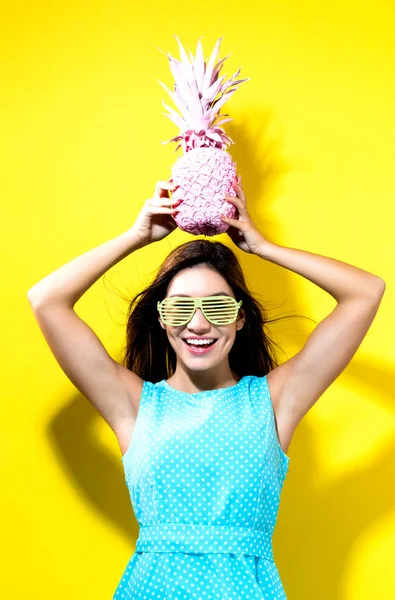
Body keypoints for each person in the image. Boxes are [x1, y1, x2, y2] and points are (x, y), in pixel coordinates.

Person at [27, 176, 386, 599]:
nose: (198, 324)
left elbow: (366, 292)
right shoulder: (134, 404)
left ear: (240, 317)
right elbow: (46, 300)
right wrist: (136, 237)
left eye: (216, 306)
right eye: (181, 307)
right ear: (161, 318)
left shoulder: (273, 401)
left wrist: (263, 248)